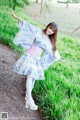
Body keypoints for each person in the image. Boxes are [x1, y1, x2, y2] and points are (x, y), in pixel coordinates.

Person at [10, 8, 61, 110]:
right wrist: (15, 16)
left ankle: (27, 99)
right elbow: (27, 25)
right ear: (48, 26)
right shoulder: (38, 31)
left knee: (32, 78)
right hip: (29, 56)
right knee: (31, 76)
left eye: (52, 31)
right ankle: (29, 98)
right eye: (50, 28)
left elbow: (54, 51)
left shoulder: (49, 41)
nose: (50, 31)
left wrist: (58, 57)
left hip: (36, 60)